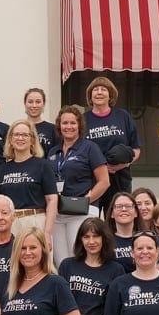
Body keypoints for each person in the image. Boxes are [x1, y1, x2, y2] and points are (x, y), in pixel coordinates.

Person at [2, 230, 78, 315]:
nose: (27, 252)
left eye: (33, 247)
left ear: (43, 250)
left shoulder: (56, 283)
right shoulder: (10, 289)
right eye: (23, 248)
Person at [49, 106, 110, 255]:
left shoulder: (90, 148)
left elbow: (104, 182)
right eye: (65, 123)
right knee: (60, 261)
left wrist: (86, 200)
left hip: (82, 212)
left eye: (73, 123)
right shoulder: (53, 152)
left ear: (79, 126)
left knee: (78, 256)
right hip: (58, 213)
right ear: (59, 126)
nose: (68, 127)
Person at [58, 217, 117, 315]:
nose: (91, 241)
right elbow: (59, 303)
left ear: (104, 238)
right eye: (86, 237)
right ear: (80, 240)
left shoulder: (115, 269)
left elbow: (113, 309)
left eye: (96, 236)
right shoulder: (67, 265)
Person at [0, 119, 58, 237]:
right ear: (10, 140)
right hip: (9, 224)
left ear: (32, 140)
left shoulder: (43, 165)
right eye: (16, 135)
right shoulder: (2, 169)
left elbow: (52, 200)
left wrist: (47, 232)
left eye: (25, 135)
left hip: (35, 222)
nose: (20, 138)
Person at [79, 76, 139, 202]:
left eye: (103, 89)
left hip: (120, 179)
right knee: (91, 214)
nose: (99, 92)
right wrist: (101, 169)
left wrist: (124, 164)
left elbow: (136, 148)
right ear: (90, 96)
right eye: (95, 89)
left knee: (118, 212)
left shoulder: (123, 116)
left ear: (110, 95)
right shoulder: (82, 120)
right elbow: (79, 151)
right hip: (92, 180)